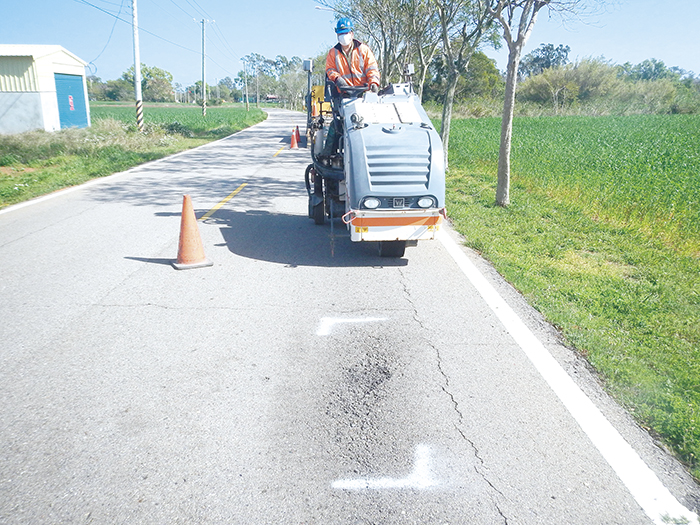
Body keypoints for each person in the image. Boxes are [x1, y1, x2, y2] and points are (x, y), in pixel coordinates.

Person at [319, 18, 380, 158]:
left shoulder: (363, 50)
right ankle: (327, 154)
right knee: (338, 124)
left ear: (351, 34)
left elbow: (372, 68)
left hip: (363, 96)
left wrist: (374, 83)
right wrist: (337, 79)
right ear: (337, 35)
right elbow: (330, 69)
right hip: (344, 96)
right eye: (341, 33)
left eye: (346, 33)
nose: (343, 36)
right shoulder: (333, 53)